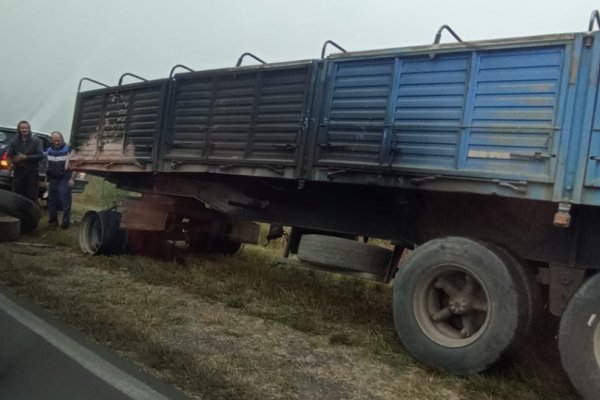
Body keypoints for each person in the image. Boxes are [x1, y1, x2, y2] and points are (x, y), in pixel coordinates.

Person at [6, 120, 44, 203]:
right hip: (18, 171)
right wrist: (10, 164)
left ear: (29, 129)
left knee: (31, 194)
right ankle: (17, 212)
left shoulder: (36, 141)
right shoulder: (14, 141)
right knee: (17, 193)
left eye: (26, 128)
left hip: (32, 171)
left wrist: (25, 157)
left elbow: (40, 156)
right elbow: (9, 155)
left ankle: (30, 214)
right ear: (19, 129)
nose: (24, 130)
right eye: (22, 128)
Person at [46, 131, 74, 229]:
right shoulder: (49, 150)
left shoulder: (68, 150)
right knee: (51, 201)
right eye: (54, 141)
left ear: (61, 139)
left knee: (65, 201)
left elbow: (74, 165)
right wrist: (47, 180)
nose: (56, 142)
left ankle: (65, 224)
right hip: (53, 178)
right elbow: (47, 166)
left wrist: (72, 179)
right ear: (52, 140)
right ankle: (52, 222)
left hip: (65, 178)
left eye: (58, 140)